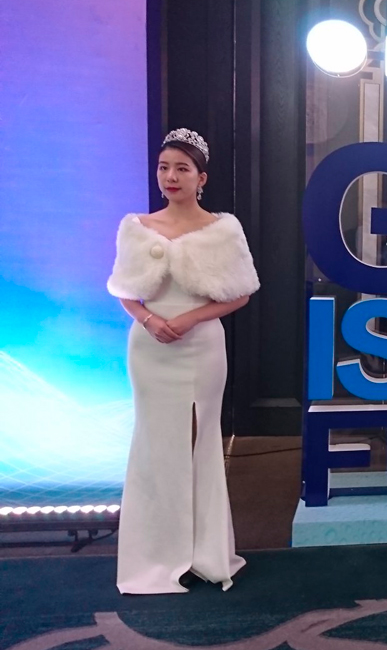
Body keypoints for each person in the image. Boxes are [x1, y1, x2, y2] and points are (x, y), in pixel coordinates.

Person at [107, 128, 259, 594]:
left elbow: (241, 293)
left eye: (181, 168)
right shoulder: (136, 226)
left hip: (201, 346)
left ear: (201, 178)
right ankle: (155, 555)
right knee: (154, 445)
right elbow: (123, 290)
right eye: (163, 167)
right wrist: (149, 320)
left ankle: (205, 553)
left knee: (201, 440)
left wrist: (190, 318)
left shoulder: (223, 229)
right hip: (149, 348)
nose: (170, 176)